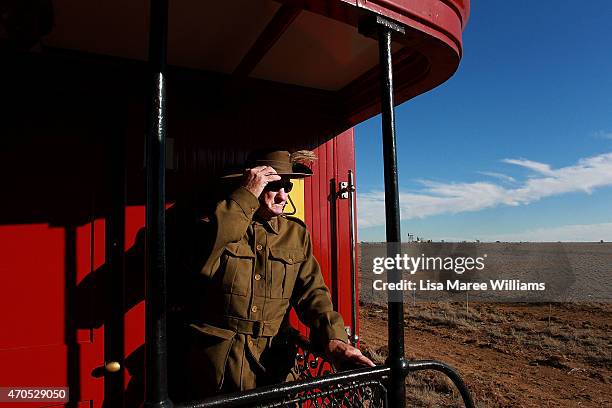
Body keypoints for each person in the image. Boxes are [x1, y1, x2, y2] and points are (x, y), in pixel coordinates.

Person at [185, 150, 373, 400]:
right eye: (274, 186)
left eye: (288, 187)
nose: (283, 196)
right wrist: (244, 197)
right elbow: (199, 262)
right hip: (221, 364)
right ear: (253, 184)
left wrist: (334, 339)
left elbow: (313, 293)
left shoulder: (295, 234)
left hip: (274, 364)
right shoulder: (217, 224)